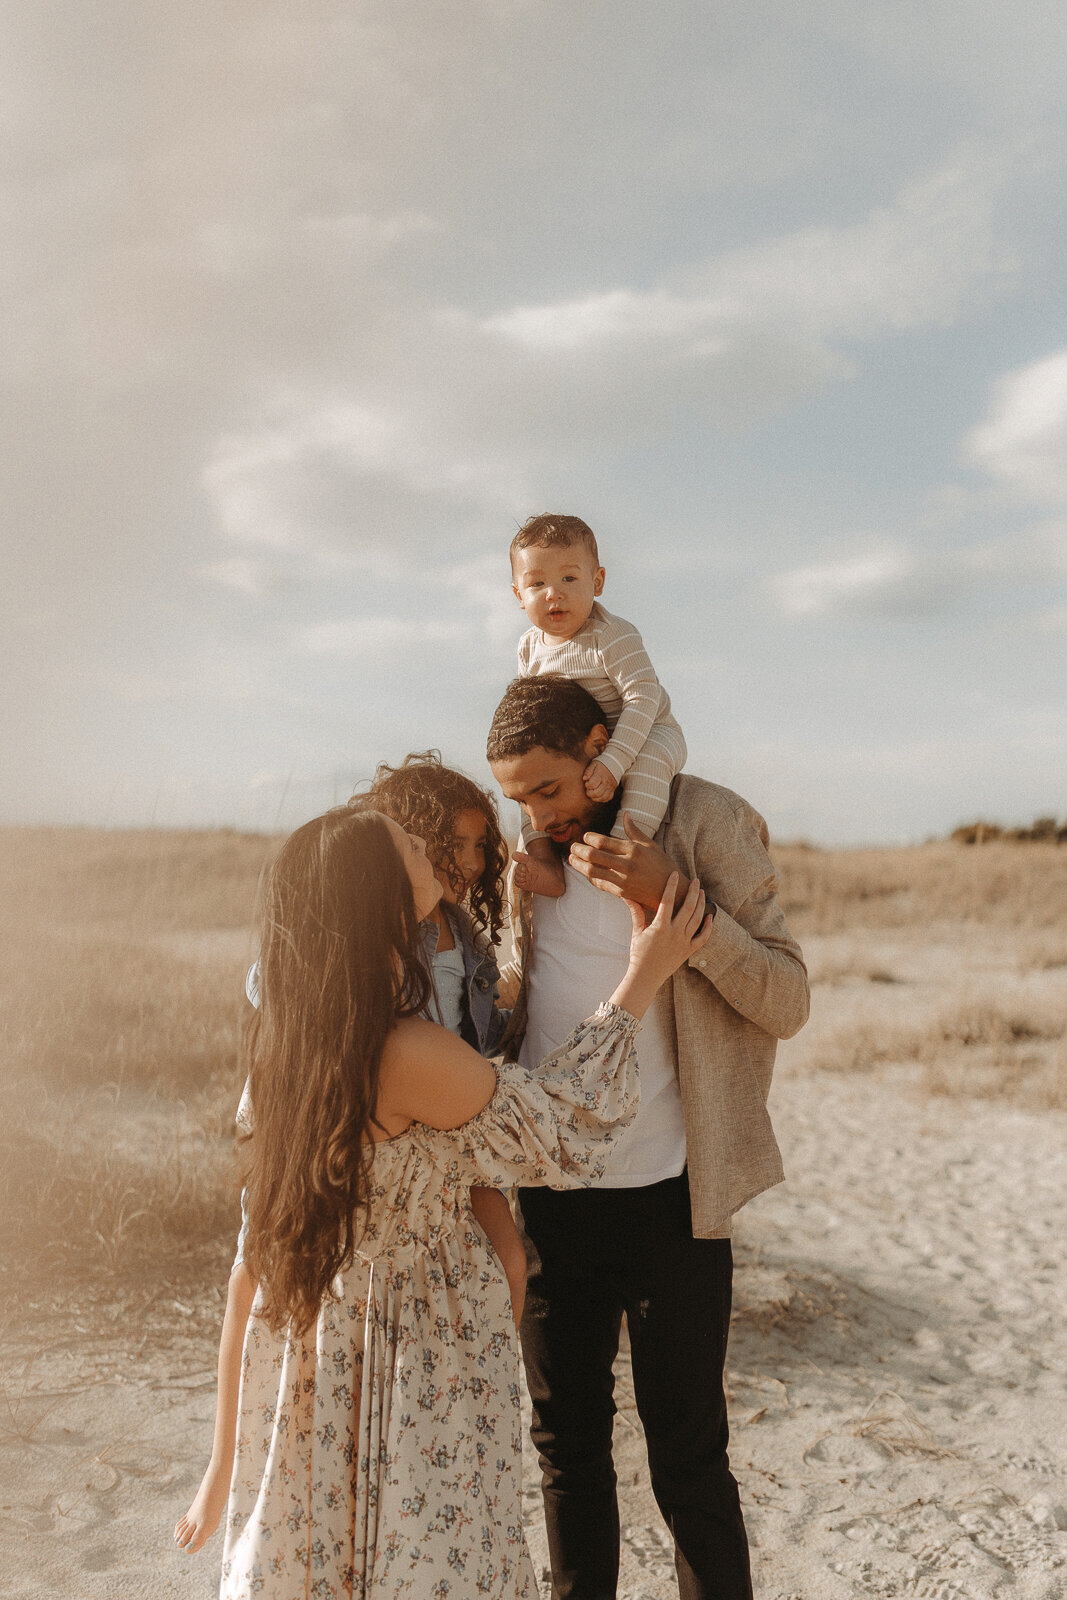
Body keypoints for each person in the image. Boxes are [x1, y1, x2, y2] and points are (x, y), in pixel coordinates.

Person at [173, 803, 712, 1597]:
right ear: (385, 904)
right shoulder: (404, 1052)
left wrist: (221, 1463)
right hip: (419, 1342)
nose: (424, 851)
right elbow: (560, 1125)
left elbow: (252, 1257)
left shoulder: (288, 1044)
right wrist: (642, 974)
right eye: (406, 850)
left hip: (311, 1345)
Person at [486, 674, 810, 1600]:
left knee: (688, 1462)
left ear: (602, 748)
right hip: (548, 1196)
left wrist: (684, 905)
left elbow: (786, 999)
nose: (536, 814)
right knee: (565, 1452)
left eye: (548, 788)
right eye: (518, 798)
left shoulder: (704, 820)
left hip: (674, 1200)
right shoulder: (529, 847)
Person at [175, 754, 525, 1560]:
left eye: (473, 847)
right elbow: (558, 1119)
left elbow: (489, 1031)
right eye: (422, 844)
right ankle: (225, 1461)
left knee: (506, 1257)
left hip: (432, 1139)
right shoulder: (318, 999)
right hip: (346, 1125)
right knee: (257, 1268)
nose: (455, 861)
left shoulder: (457, 938)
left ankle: (469, 1423)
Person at [510, 513, 687, 899]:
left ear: (598, 582)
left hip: (644, 733)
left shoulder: (611, 636)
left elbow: (643, 697)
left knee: (649, 767)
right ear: (518, 595)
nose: (553, 593)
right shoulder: (529, 647)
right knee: (528, 788)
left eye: (568, 579)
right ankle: (543, 861)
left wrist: (614, 760)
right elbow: (531, 712)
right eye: (537, 583)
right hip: (583, 747)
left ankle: (624, 853)